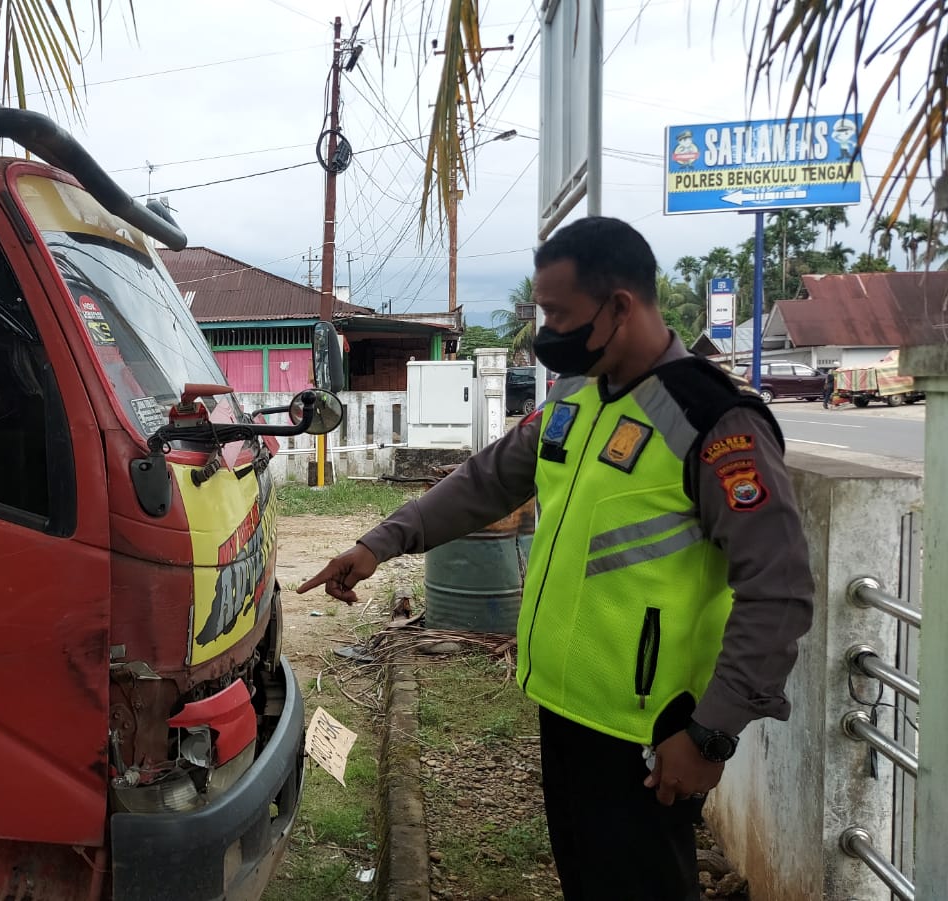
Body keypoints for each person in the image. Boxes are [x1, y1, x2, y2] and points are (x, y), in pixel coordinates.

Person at [299, 217, 815, 901]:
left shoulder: (711, 420)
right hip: (565, 710)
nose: (546, 331)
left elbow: (778, 590)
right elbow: (486, 480)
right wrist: (378, 543)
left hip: (648, 734)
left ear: (620, 307)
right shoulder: (575, 396)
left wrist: (711, 733)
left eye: (558, 314)